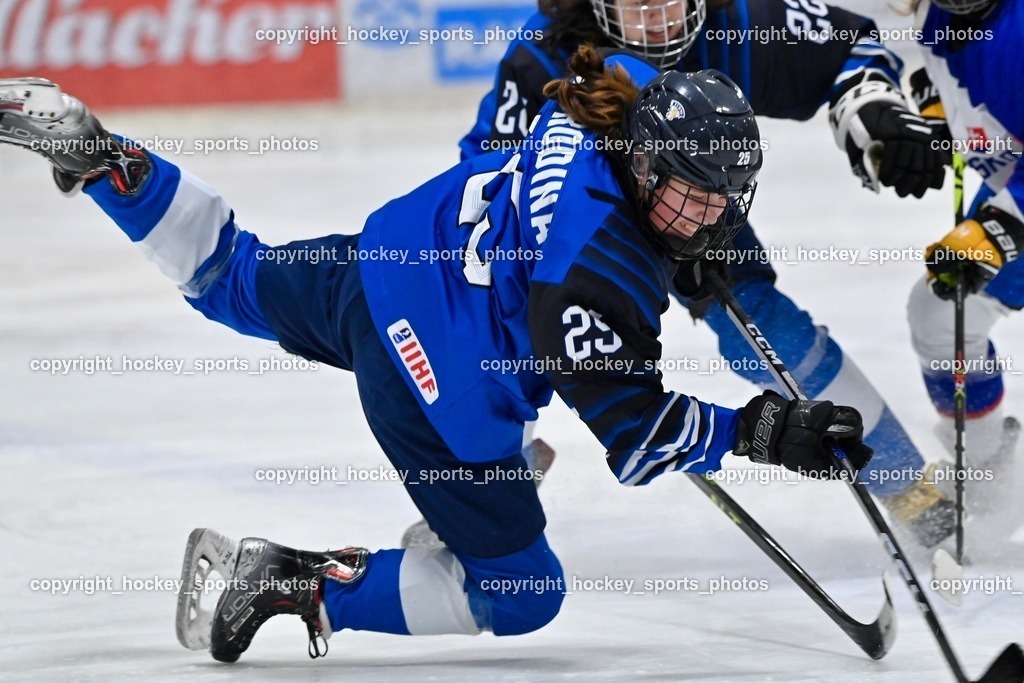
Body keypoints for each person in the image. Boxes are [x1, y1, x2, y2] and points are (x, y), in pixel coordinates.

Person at [0, 50, 873, 662]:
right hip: (429, 381)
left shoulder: (627, 96)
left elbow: (554, 62)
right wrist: (767, 431)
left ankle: (114, 166)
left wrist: (692, 233)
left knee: (234, 273)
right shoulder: (594, 275)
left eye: (723, 199)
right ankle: (276, 578)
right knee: (526, 592)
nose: (709, 214)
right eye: (689, 195)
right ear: (646, 169)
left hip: (388, 261)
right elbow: (640, 439)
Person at [458, 0, 958, 547]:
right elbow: (482, 179)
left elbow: (853, 45)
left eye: (672, 3)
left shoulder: (739, 19)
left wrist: (869, 101)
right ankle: (495, 465)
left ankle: (908, 487)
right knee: (507, 314)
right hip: (584, 219)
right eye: (636, 7)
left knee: (763, 329)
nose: (658, 23)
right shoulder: (542, 50)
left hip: (697, 204)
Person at [905, 0, 1023, 518]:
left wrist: (1000, 231)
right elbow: (923, 60)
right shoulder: (940, 14)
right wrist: (940, 107)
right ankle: (986, 467)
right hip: (1012, 190)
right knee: (942, 316)